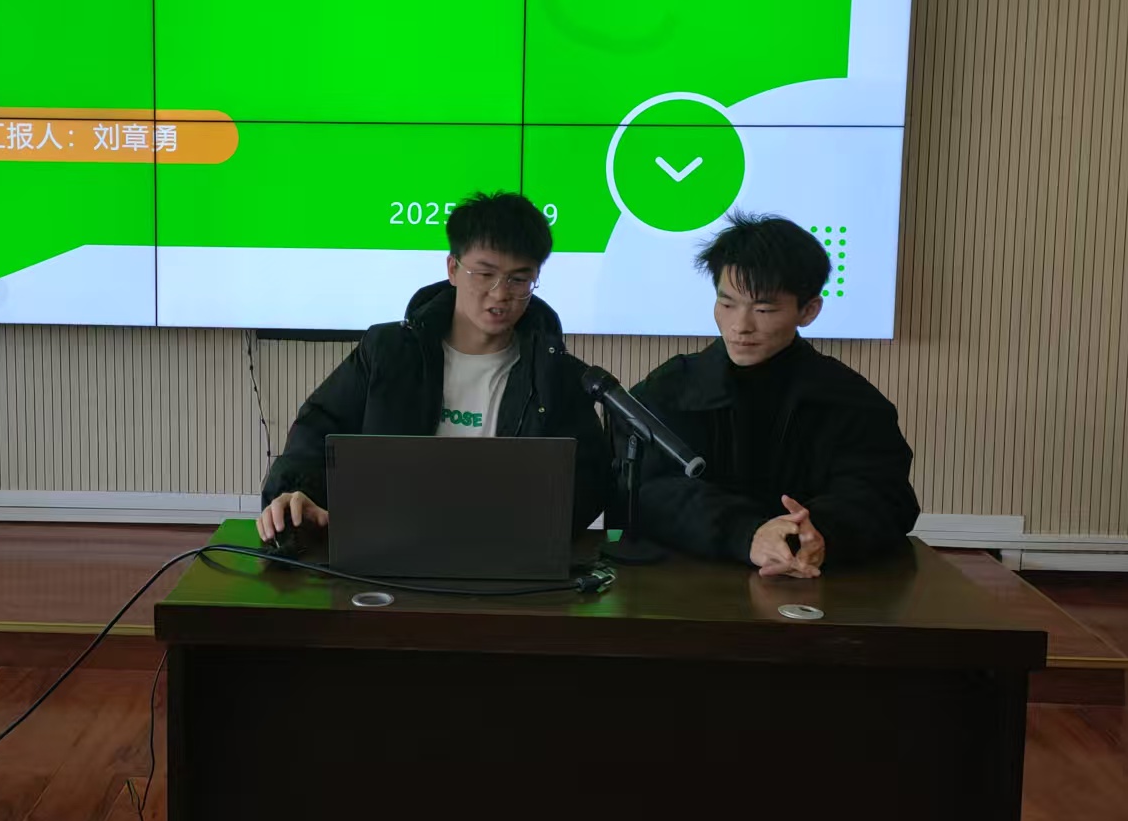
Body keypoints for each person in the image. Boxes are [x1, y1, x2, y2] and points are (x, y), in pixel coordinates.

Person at [257, 192, 610, 541]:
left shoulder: (556, 375)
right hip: (386, 545)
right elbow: (318, 430)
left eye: (519, 279)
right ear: (453, 269)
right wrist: (295, 494)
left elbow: (588, 480)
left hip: (506, 550)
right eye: (484, 274)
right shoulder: (387, 352)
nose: (501, 293)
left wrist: (534, 526)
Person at [628, 213, 919, 578]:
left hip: (815, 580)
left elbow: (883, 495)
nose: (741, 326)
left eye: (763, 309)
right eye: (727, 304)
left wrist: (813, 533)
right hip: (684, 580)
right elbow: (647, 490)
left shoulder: (851, 399)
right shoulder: (671, 388)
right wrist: (746, 533)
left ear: (809, 310)